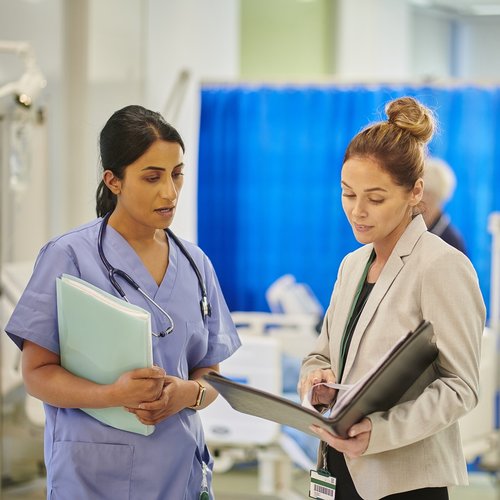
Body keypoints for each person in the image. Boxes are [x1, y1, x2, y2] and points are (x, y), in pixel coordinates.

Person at [4, 104, 241, 499]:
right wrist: (113, 396)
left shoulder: (196, 264)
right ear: (113, 181)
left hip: (178, 469)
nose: (169, 192)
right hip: (93, 475)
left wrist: (188, 394)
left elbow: (210, 374)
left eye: (177, 174)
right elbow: (37, 374)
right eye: (152, 177)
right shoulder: (69, 257)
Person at [298, 97, 485, 500]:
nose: (357, 211)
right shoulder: (352, 264)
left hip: (404, 481)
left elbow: (461, 387)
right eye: (348, 194)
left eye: (376, 198)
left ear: (415, 192)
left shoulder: (440, 266)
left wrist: (381, 432)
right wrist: (317, 379)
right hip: (338, 467)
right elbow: (323, 355)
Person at [422, 156, 467, 254]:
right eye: (422, 192)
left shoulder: (451, 240)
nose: (422, 199)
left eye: (428, 193)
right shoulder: (412, 230)